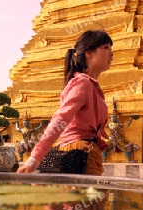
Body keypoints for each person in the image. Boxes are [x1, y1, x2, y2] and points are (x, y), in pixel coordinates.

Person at [17, 30, 113, 175]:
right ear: (89, 53)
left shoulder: (90, 85)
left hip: (85, 151)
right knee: (85, 196)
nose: (111, 53)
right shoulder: (83, 84)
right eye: (106, 48)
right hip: (79, 152)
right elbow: (60, 120)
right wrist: (34, 158)